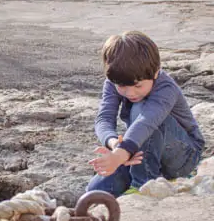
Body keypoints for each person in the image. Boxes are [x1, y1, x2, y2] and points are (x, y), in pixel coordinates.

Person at [87, 32, 205, 197]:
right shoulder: (114, 82)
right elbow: (104, 119)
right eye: (122, 86)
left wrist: (121, 153)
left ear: (155, 72)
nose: (130, 93)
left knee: (141, 110)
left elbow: (146, 122)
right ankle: (145, 174)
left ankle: (144, 185)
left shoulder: (166, 88)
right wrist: (115, 145)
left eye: (138, 86)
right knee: (98, 190)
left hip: (182, 156)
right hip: (139, 149)